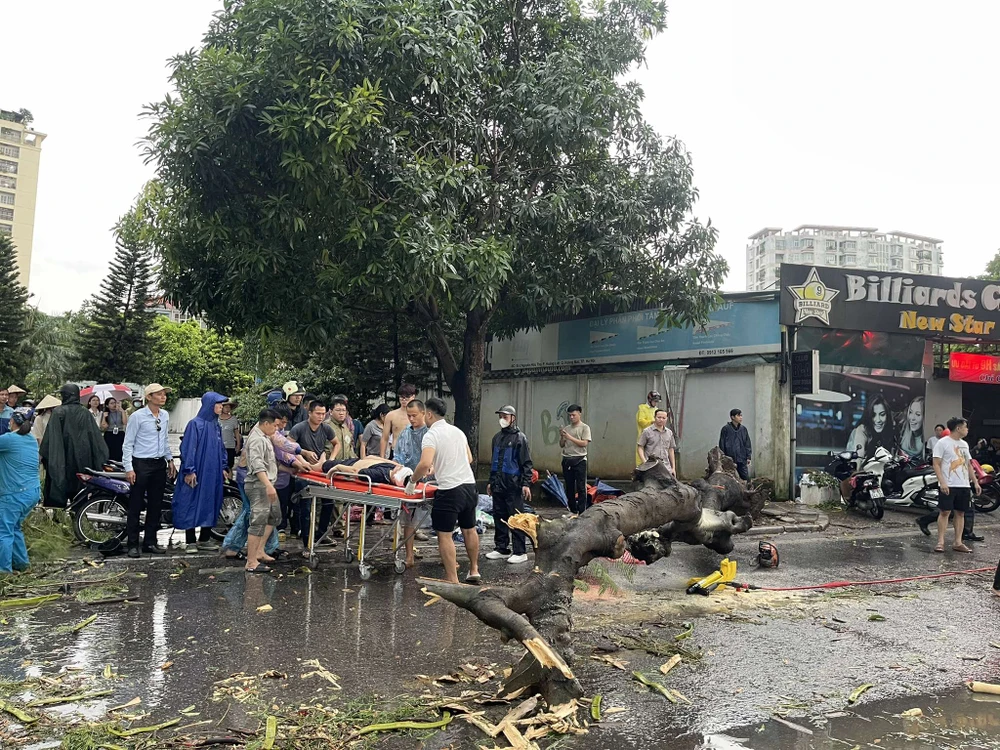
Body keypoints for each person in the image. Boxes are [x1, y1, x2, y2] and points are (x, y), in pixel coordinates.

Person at [407, 397, 481, 584]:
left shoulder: (431, 435)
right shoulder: (457, 432)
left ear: (429, 414)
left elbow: (424, 463)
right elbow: (469, 458)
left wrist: (413, 481)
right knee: (469, 529)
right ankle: (473, 570)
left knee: (444, 534)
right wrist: (442, 465)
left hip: (450, 490)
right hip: (469, 485)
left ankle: (452, 578)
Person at [122, 384, 177, 558]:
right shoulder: (137, 417)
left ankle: (150, 542)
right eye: (159, 394)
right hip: (141, 464)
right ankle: (132, 544)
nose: (163, 397)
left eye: (164, 394)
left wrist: (170, 460)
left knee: (156, 505)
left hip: (158, 464)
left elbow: (165, 439)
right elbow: (128, 443)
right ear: (149, 397)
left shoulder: (165, 415)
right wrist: (129, 468)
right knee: (136, 505)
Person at [173, 392, 230, 554]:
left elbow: (221, 448)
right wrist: (189, 470)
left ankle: (204, 539)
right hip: (197, 472)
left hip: (213, 473)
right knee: (190, 501)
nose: (221, 407)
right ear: (210, 405)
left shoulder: (215, 425)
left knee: (210, 502)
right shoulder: (195, 424)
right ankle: (190, 541)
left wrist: (224, 467)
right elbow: (188, 448)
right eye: (218, 404)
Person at [39, 384, 109, 508]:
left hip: (61, 460)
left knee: (58, 491)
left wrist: (47, 457)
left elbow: (51, 439)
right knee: (79, 494)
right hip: (82, 461)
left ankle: (58, 520)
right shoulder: (85, 413)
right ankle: (77, 519)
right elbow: (96, 439)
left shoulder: (58, 412)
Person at [487, 405, 533, 565]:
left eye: (505, 416)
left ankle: (520, 551)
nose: (502, 419)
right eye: (500, 416)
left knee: (516, 518)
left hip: (513, 485)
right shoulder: (497, 438)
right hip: (498, 484)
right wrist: (490, 482)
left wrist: (526, 484)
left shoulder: (520, 438)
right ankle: (501, 548)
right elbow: (494, 462)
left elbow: (526, 463)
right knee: (499, 516)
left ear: (513, 418)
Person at [289, 401, 337, 548]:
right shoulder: (299, 428)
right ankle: (306, 540)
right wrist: (301, 459)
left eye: (323, 414)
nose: (321, 416)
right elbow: (288, 446)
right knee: (306, 507)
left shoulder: (326, 428)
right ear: (309, 412)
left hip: (321, 471)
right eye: (318, 413)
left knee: (329, 502)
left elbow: (336, 443)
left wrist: (331, 460)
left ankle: (321, 534)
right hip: (304, 471)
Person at [930, 417, 980, 554]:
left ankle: (958, 542)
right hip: (949, 484)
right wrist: (943, 482)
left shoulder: (964, 444)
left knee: (960, 512)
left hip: (963, 484)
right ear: (958, 428)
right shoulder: (942, 443)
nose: (967, 429)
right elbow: (936, 464)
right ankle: (940, 542)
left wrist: (975, 481)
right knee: (945, 511)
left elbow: (968, 464)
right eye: (965, 427)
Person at [0, 409, 42, 573]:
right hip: (32, 492)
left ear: (12, 423)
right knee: (14, 527)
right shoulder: (30, 439)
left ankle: (3, 571)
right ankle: (22, 563)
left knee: (3, 530)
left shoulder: (9, 439)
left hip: (15, 493)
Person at [244, 409, 282, 574]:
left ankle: (259, 550)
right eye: (275, 425)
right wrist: (267, 485)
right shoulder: (257, 439)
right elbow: (257, 464)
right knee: (258, 521)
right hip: (259, 485)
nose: (276, 429)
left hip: (268, 483)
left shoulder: (264, 435)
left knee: (274, 516)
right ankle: (251, 562)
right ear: (266, 423)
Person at [560, 404, 592, 514]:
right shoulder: (567, 428)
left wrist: (570, 437)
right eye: (569, 415)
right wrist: (563, 437)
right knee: (569, 487)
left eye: (573, 415)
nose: (571, 417)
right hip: (567, 459)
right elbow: (561, 445)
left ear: (579, 414)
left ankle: (582, 511)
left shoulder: (585, 427)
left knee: (581, 487)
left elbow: (584, 443)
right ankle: (572, 510)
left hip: (580, 459)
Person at [847, 394, 896, 461]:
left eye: (882, 414)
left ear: (887, 415)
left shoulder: (890, 432)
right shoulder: (862, 430)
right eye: (873, 415)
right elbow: (858, 458)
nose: (878, 420)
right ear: (868, 416)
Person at [380, 383, 418, 458]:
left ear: (413, 396)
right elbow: (384, 438)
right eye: (401, 397)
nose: (404, 399)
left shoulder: (419, 415)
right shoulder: (391, 415)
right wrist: (382, 457)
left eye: (407, 397)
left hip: (413, 452)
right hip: (395, 451)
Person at [639, 409, 678, 475]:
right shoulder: (647, 431)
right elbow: (640, 447)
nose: (661, 420)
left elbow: (671, 450)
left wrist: (673, 468)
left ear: (666, 419)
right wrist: (644, 462)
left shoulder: (669, 433)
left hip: (666, 468)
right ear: (654, 417)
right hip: (650, 467)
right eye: (659, 417)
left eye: (663, 418)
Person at [719, 408, 752, 480]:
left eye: (741, 415)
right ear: (732, 417)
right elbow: (722, 444)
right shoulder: (726, 429)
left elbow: (747, 443)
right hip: (730, 459)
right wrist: (723, 457)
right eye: (738, 415)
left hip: (741, 458)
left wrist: (748, 456)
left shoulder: (743, 429)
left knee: (745, 478)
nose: (741, 417)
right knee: (731, 479)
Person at [635, 391, 661, 466]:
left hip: (654, 436)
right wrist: (652, 422)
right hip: (644, 435)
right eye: (654, 401)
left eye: (657, 402)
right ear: (650, 400)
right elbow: (641, 421)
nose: (656, 403)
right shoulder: (643, 408)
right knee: (641, 455)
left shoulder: (656, 410)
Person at [101, 397, 128, 461]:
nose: (114, 404)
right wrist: (104, 417)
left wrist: (122, 411)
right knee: (110, 451)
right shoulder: (105, 413)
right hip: (110, 433)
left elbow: (125, 422)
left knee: (120, 450)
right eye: (111, 403)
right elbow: (104, 426)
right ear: (107, 405)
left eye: (115, 402)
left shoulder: (120, 412)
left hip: (120, 433)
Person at [219, 401, 242, 469]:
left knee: (229, 467)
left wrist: (238, 444)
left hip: (230, 446)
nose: (227, 409)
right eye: (226, 407)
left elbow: (236, 432)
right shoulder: (216, 418)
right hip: (219, 445)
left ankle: (229, 479)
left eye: (229, 407)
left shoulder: (233, 419)